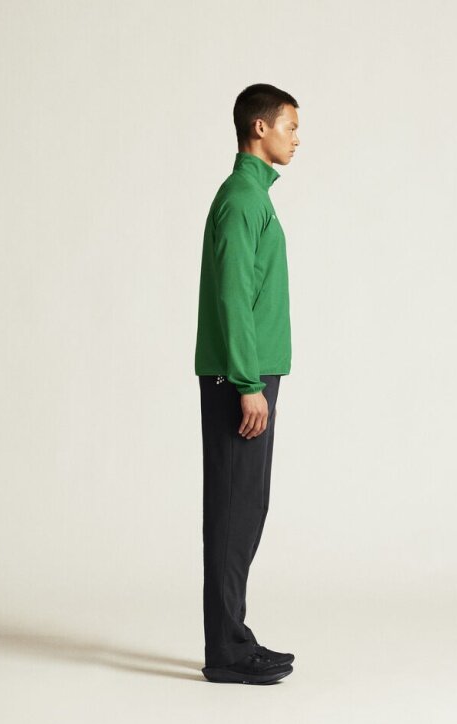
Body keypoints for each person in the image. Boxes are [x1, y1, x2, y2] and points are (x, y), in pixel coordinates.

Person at [194, 83, 300, 684]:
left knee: (245, 508)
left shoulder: (254, 197)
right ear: (260, 128)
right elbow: (233, 295)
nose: (297, 138)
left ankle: (231, 639)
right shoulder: (241, 199)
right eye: (290, 126)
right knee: (234, 510)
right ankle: (227, 652)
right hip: (242, 378)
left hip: (252, 373)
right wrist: (245, 382)